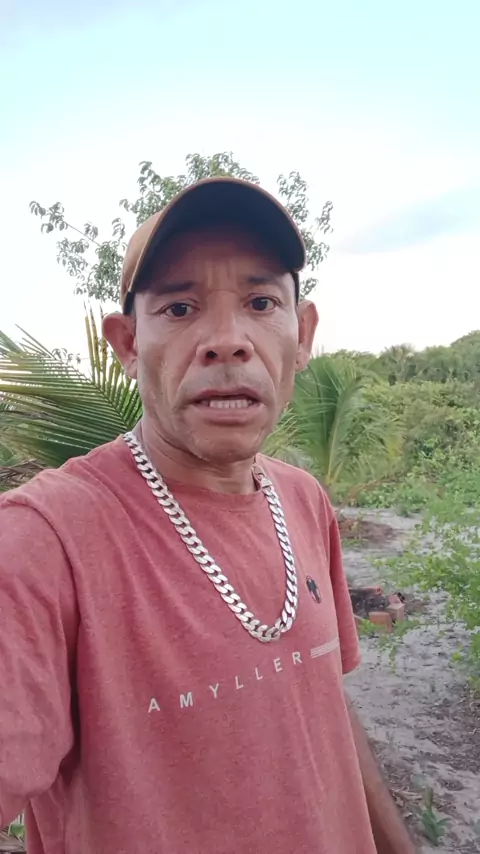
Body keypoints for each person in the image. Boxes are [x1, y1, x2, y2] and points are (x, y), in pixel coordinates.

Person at [0, 177, 416, 854]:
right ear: (127, 344)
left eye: (261, 302)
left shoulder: (304, 499)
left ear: (302, 334)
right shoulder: (43, 542)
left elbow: (321, 703)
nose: (227, 341)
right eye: (179, 307)